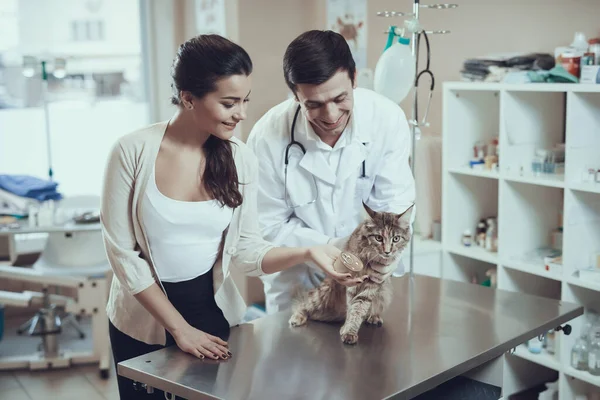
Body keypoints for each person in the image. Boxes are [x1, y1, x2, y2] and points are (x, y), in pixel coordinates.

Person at [100, 34, 364, 400]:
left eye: (244, 101)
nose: (241, 113)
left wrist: (308, 251)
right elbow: (123, 257)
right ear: (188, 98)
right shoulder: (131, 152)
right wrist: (180, 330)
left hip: (212, 314)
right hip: (142, 320)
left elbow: (246, 251)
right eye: (229, 103)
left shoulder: (240, 157)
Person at [246, 30, 416, 314]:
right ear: (294, 94)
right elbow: (267, 226)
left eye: (340, 98)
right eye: (313, 104)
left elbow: (395, 206)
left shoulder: (386, 120)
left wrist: (369, 260)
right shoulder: (267, 136)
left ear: (355, 78)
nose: (331, 115)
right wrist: (330, 249)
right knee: (297, 354)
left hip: (369, 274)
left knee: (371, 353)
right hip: (297, 280)